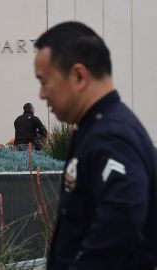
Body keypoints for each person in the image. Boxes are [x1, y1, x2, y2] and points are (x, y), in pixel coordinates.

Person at [34, 21, 157, 270]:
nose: (42, 94)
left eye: (44, 81)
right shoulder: (102, 128)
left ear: (79, 76)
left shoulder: (109, 137)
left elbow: (123, 216)